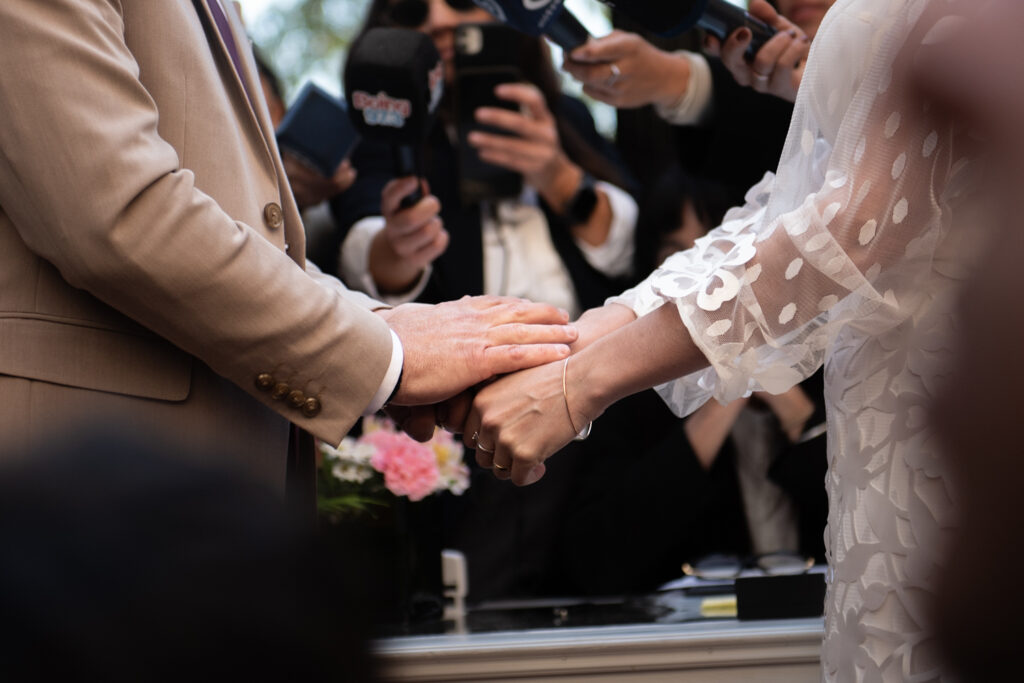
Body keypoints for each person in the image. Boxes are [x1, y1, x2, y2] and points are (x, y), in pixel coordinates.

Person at [460, 0, 974, 680]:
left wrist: (578, 384)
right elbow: (779, 217)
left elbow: (846, 232)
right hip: (883, 443)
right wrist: (576, 342)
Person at [0, 0, 577, 497]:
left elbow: (251, 237)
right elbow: (121, 212)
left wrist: (385, 328)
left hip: (219, 472)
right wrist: (389, 356)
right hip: (88, 473)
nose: (444, 20)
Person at [330, 0, 643, 601]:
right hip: (466, 408)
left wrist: (557, 175)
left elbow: (631, 247)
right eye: (416, 8)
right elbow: (360, 246)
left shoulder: (563, 116)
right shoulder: (386, 134)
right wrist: (400, 246)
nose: (442, 21)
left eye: (464, 2)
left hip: (593, 383)